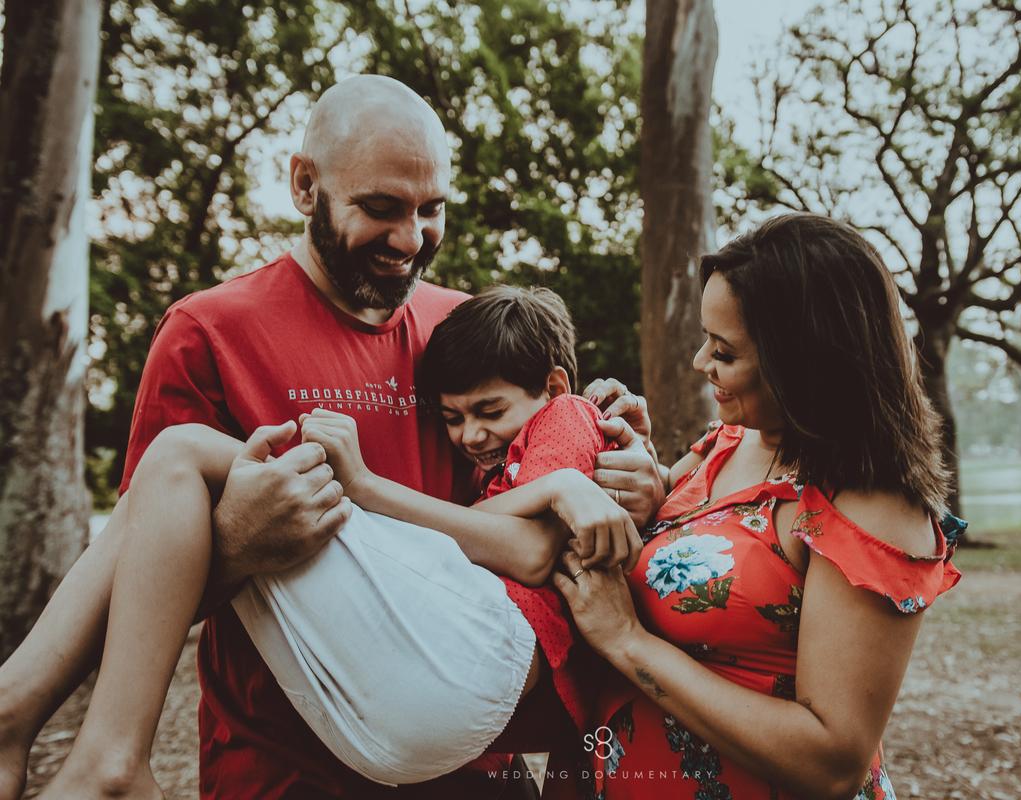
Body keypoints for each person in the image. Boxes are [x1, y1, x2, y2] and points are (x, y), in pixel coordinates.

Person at [0, 74, 664, 800]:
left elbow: (544, 473)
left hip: (468, 766)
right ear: (305, 184)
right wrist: (238, 546)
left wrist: (632, 470)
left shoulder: (463, 332)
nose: (411, 240)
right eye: (381, 209)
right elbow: (138, 594)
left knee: (184, 458)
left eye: (431, 210)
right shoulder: (207, 333)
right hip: (285, 773)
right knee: (180, 463)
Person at [0, 284, 638, 799]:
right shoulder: (208, 325)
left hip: (482, 665)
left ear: (551, 386)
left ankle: (91, 752)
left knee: (180, 455)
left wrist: (360, 485)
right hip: (413, 715)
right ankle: (20, 717)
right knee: (168, 483)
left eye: (488, 412)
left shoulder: (569, 414)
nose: (469, 436)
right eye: (451, 419)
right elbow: (524, 529)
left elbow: (530, 550)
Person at [552, 214, 965, 800]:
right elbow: (691, 550)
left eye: (723, 350)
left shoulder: (871, 505)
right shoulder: (729, 443)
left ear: (805, 362)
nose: (700, 362)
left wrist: (626, 642)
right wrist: (645, 485)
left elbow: (832, 760)